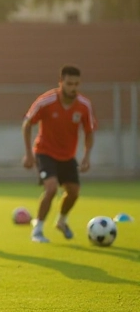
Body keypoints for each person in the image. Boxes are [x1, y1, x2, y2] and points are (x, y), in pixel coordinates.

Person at [22, 65, 95, 243]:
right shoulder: (46, 101)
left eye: (76, 84)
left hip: (68, 156)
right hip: (44, 152)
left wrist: (86, 156)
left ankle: (61, 221)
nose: (73, 88)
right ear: (61, 82)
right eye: (69, 83)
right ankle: (37, 229)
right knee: (52, 188)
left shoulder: (84, 106)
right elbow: (27, 124)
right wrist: (29, 154)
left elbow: (89, 131)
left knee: (74, 192)